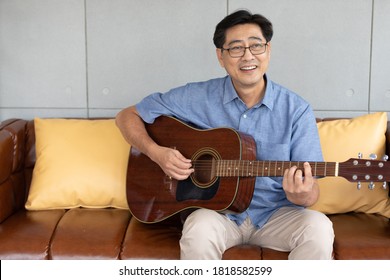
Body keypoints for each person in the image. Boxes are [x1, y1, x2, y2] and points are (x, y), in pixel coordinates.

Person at [116, 9, 334, 260]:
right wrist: (157, 154)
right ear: (221, 56)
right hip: (217, 215)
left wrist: (302, 193)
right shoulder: (195, 97)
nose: (248, 56)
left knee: (319, 228)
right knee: (198, 231)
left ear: (268, 50)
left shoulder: (297, 110)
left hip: (277, 215)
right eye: (236, 48)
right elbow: (126, 116)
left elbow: (312, 191)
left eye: (256, 46)